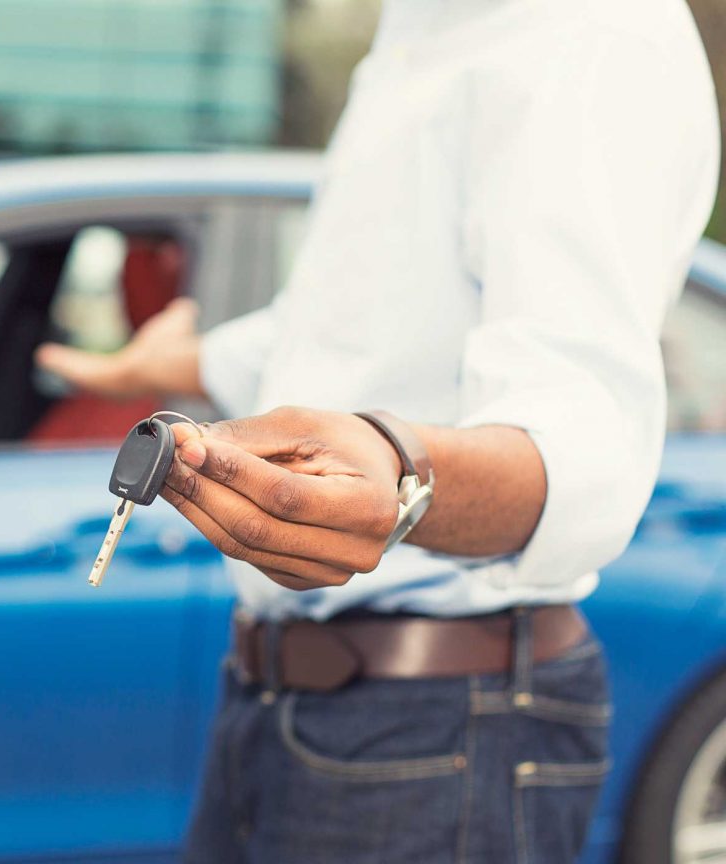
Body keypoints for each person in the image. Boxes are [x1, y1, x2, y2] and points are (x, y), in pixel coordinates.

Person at [36, 0, 720, 861]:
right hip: (277, 699)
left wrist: (402, 473)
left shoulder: (593, 34)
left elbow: (585, 444)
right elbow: (368, 332)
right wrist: (192, 363)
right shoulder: (414, 30)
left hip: (443, 724)